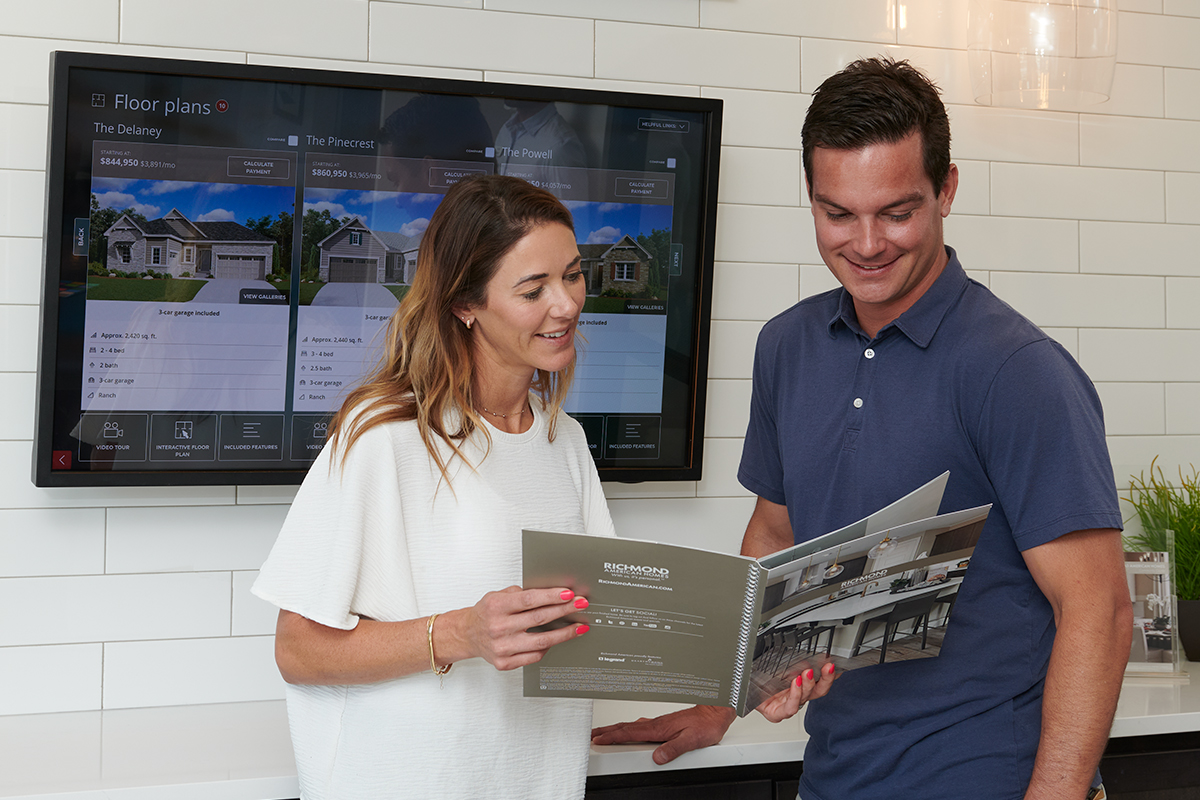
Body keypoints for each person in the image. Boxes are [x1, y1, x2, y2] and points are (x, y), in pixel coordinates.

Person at [592, 57, 1132, 800]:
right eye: (838, 213)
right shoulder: (787, 346)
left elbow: (1097, 609)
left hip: (987, 780)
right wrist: (733, 694)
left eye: (898, 212)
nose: (867, 244)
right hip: (836, 776)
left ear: (945, 189)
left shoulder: (1017, 370)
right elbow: (778, 538)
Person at [253, 174, 616, 799]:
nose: (567, 304)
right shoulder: (384, 436)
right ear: (464, 303)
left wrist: (736, 668)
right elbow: (298, 650)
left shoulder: (566, 441)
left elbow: (596, 622)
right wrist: (461, 634)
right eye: (533, 290)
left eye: (574, 274)